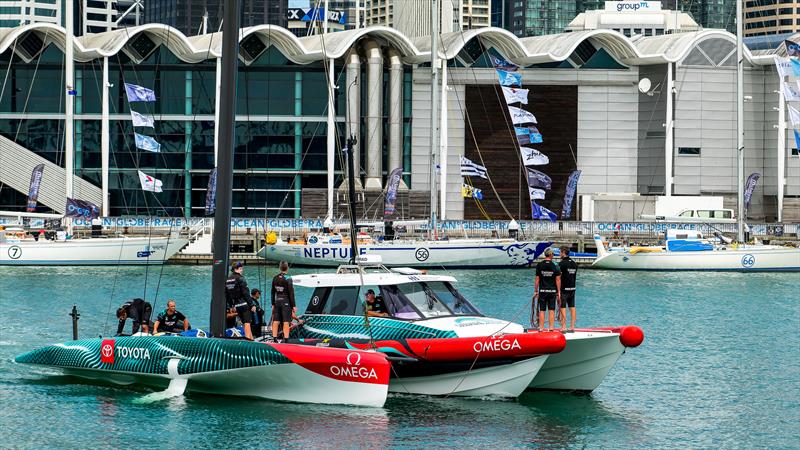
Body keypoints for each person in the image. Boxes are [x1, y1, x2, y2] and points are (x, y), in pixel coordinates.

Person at [225, 261, 254, 340]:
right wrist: (252, 305)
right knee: (247, 323)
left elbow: (227, 294)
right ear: (236, 269)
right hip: (244, 304)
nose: (242, 270)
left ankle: (252, 340)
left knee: (245, 324)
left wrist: (231, 306)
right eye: (241, 269)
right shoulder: (241, 278)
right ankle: (248, 343)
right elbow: (246, 293)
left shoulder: (228, 279)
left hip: (236, 305)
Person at [533, 248, 561, 332]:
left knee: (542, 310)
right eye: (553, 254)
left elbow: (537, 279)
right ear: (551, 255)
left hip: (542, 291)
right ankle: (551, 328)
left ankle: (541, 328)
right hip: (552, 291)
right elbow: (558, 280)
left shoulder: (539, 265)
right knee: (551, 310)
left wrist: (535, 290)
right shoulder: (555, 265)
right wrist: (558, 291)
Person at [271, 261, 296, 342]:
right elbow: (291, 293)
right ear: (287, 268)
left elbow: (272, 292)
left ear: (280, 268)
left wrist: (272, 304)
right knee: (286, 321)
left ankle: (274, 338)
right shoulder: (288, 278)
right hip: (286, 302)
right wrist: (293, 306)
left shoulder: (275, 278)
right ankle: (286, 339)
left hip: (277, 301)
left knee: (276, 321)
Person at [559, 246, 579, 331]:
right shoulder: (574, 264)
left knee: (563, 307)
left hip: (564, 289)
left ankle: (563, 327)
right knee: (572, 307)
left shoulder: (561, 263)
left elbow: (558, 277)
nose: (560, 254)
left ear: (563, 252)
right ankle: (572, 326)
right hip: (572, 288)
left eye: (560, 252)